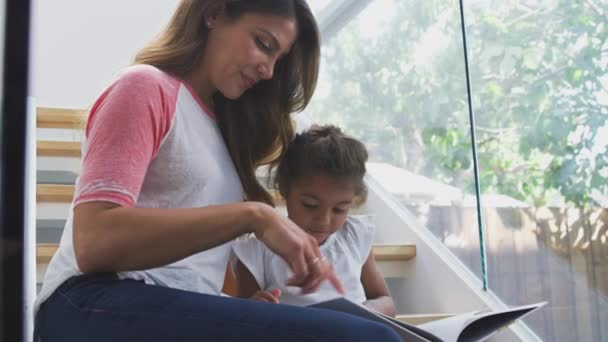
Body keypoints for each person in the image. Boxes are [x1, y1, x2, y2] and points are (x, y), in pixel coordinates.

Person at [33, 1, 402, 341]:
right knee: (369, 339)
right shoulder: (145, 86)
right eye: (263, 43)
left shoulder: (222, 134)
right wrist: (253, 215)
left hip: (162, 302)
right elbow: (94, 242)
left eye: (279, 58)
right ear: (213, 13)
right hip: (91, 300)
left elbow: (192, 266)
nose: (268, 69)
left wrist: (241, 305)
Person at [234, 125, 397, 317]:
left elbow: (386, 302)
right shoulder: (258, 249)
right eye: (310, 205)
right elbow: (242, 317)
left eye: (340, 209)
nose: (324, 220)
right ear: (284, 188)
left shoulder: (354, 236)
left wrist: (370, 310)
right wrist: (255, 306)